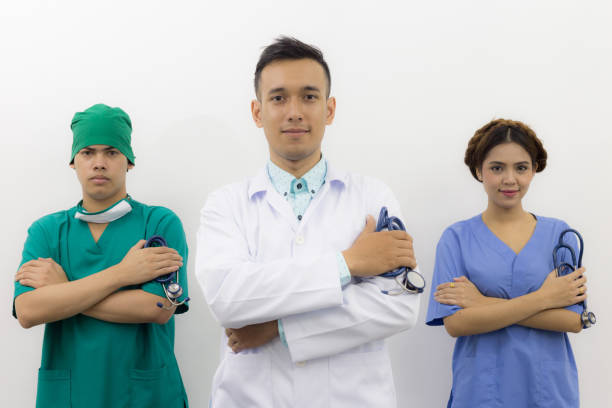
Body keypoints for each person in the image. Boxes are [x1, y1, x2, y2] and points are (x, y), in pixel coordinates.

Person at [196, 36, 421, 407]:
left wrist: (278, 328)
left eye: (309, 97)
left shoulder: (373, 197)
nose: (295, 111)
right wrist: (348, 264)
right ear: (257, 112)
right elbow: (227, 299)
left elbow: (399, 304)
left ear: (330, 109)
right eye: (279, 97)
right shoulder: (225, 204)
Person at [13, 104, 190, 408]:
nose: (99, 163)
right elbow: (28, 311)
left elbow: (157, 307)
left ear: (129, 162)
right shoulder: (47, 231)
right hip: (70, 395)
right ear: (73, 162)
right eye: (88, 152)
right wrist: (122, 274)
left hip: (144, 396)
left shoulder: (158, 223)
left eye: (111, 152)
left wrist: (62, 291)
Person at [426, 119, 588, 408]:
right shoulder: (456, 238)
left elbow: (572, 320)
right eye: (497, 168)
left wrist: (481, 303)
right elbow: (456, 323)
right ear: (479, 170)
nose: (509, 179)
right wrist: (545, 298)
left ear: (534, 170)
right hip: (480, 392)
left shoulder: (559, 235)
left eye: (521, 167)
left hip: (548, 391)